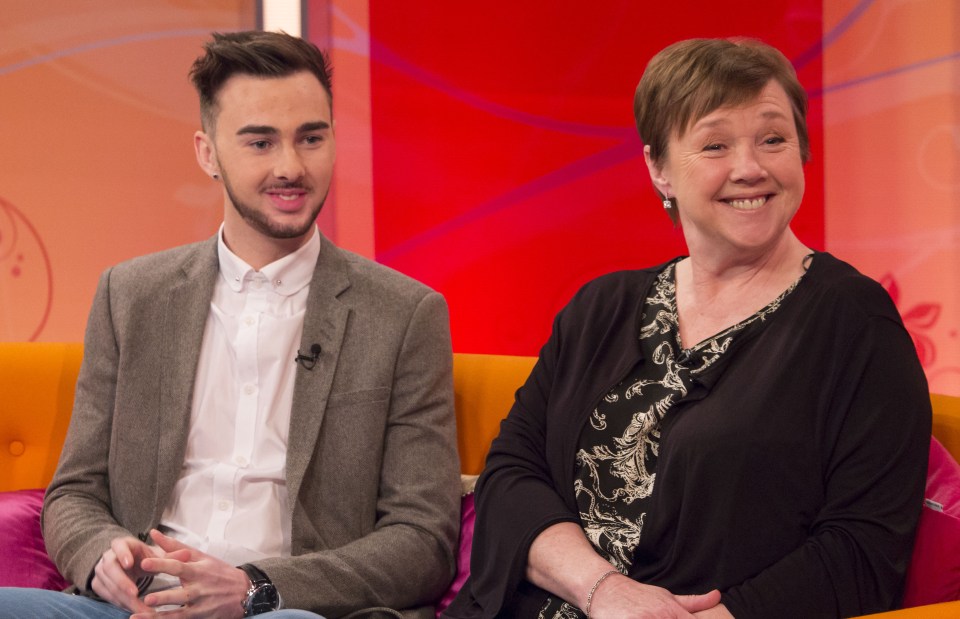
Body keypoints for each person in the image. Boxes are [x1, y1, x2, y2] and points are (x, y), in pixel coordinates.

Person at [442, 38, 931, 619]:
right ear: (658, 168)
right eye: (715, 144)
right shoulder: (601, 307)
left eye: (773, 139)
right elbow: (512, 476)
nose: (750, 168)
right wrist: (603, 590)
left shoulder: (855, 323)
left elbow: (863, 550)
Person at [0, 30, 460, 619]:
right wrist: (102, 557)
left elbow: (423, 540)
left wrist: (253, 588)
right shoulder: (130, 295)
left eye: (311, 138)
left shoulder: (404, 315)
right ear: (208, 153)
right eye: (260, 142)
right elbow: (75, 492)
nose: (291, 167)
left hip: (289, 610)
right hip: (135, 608)